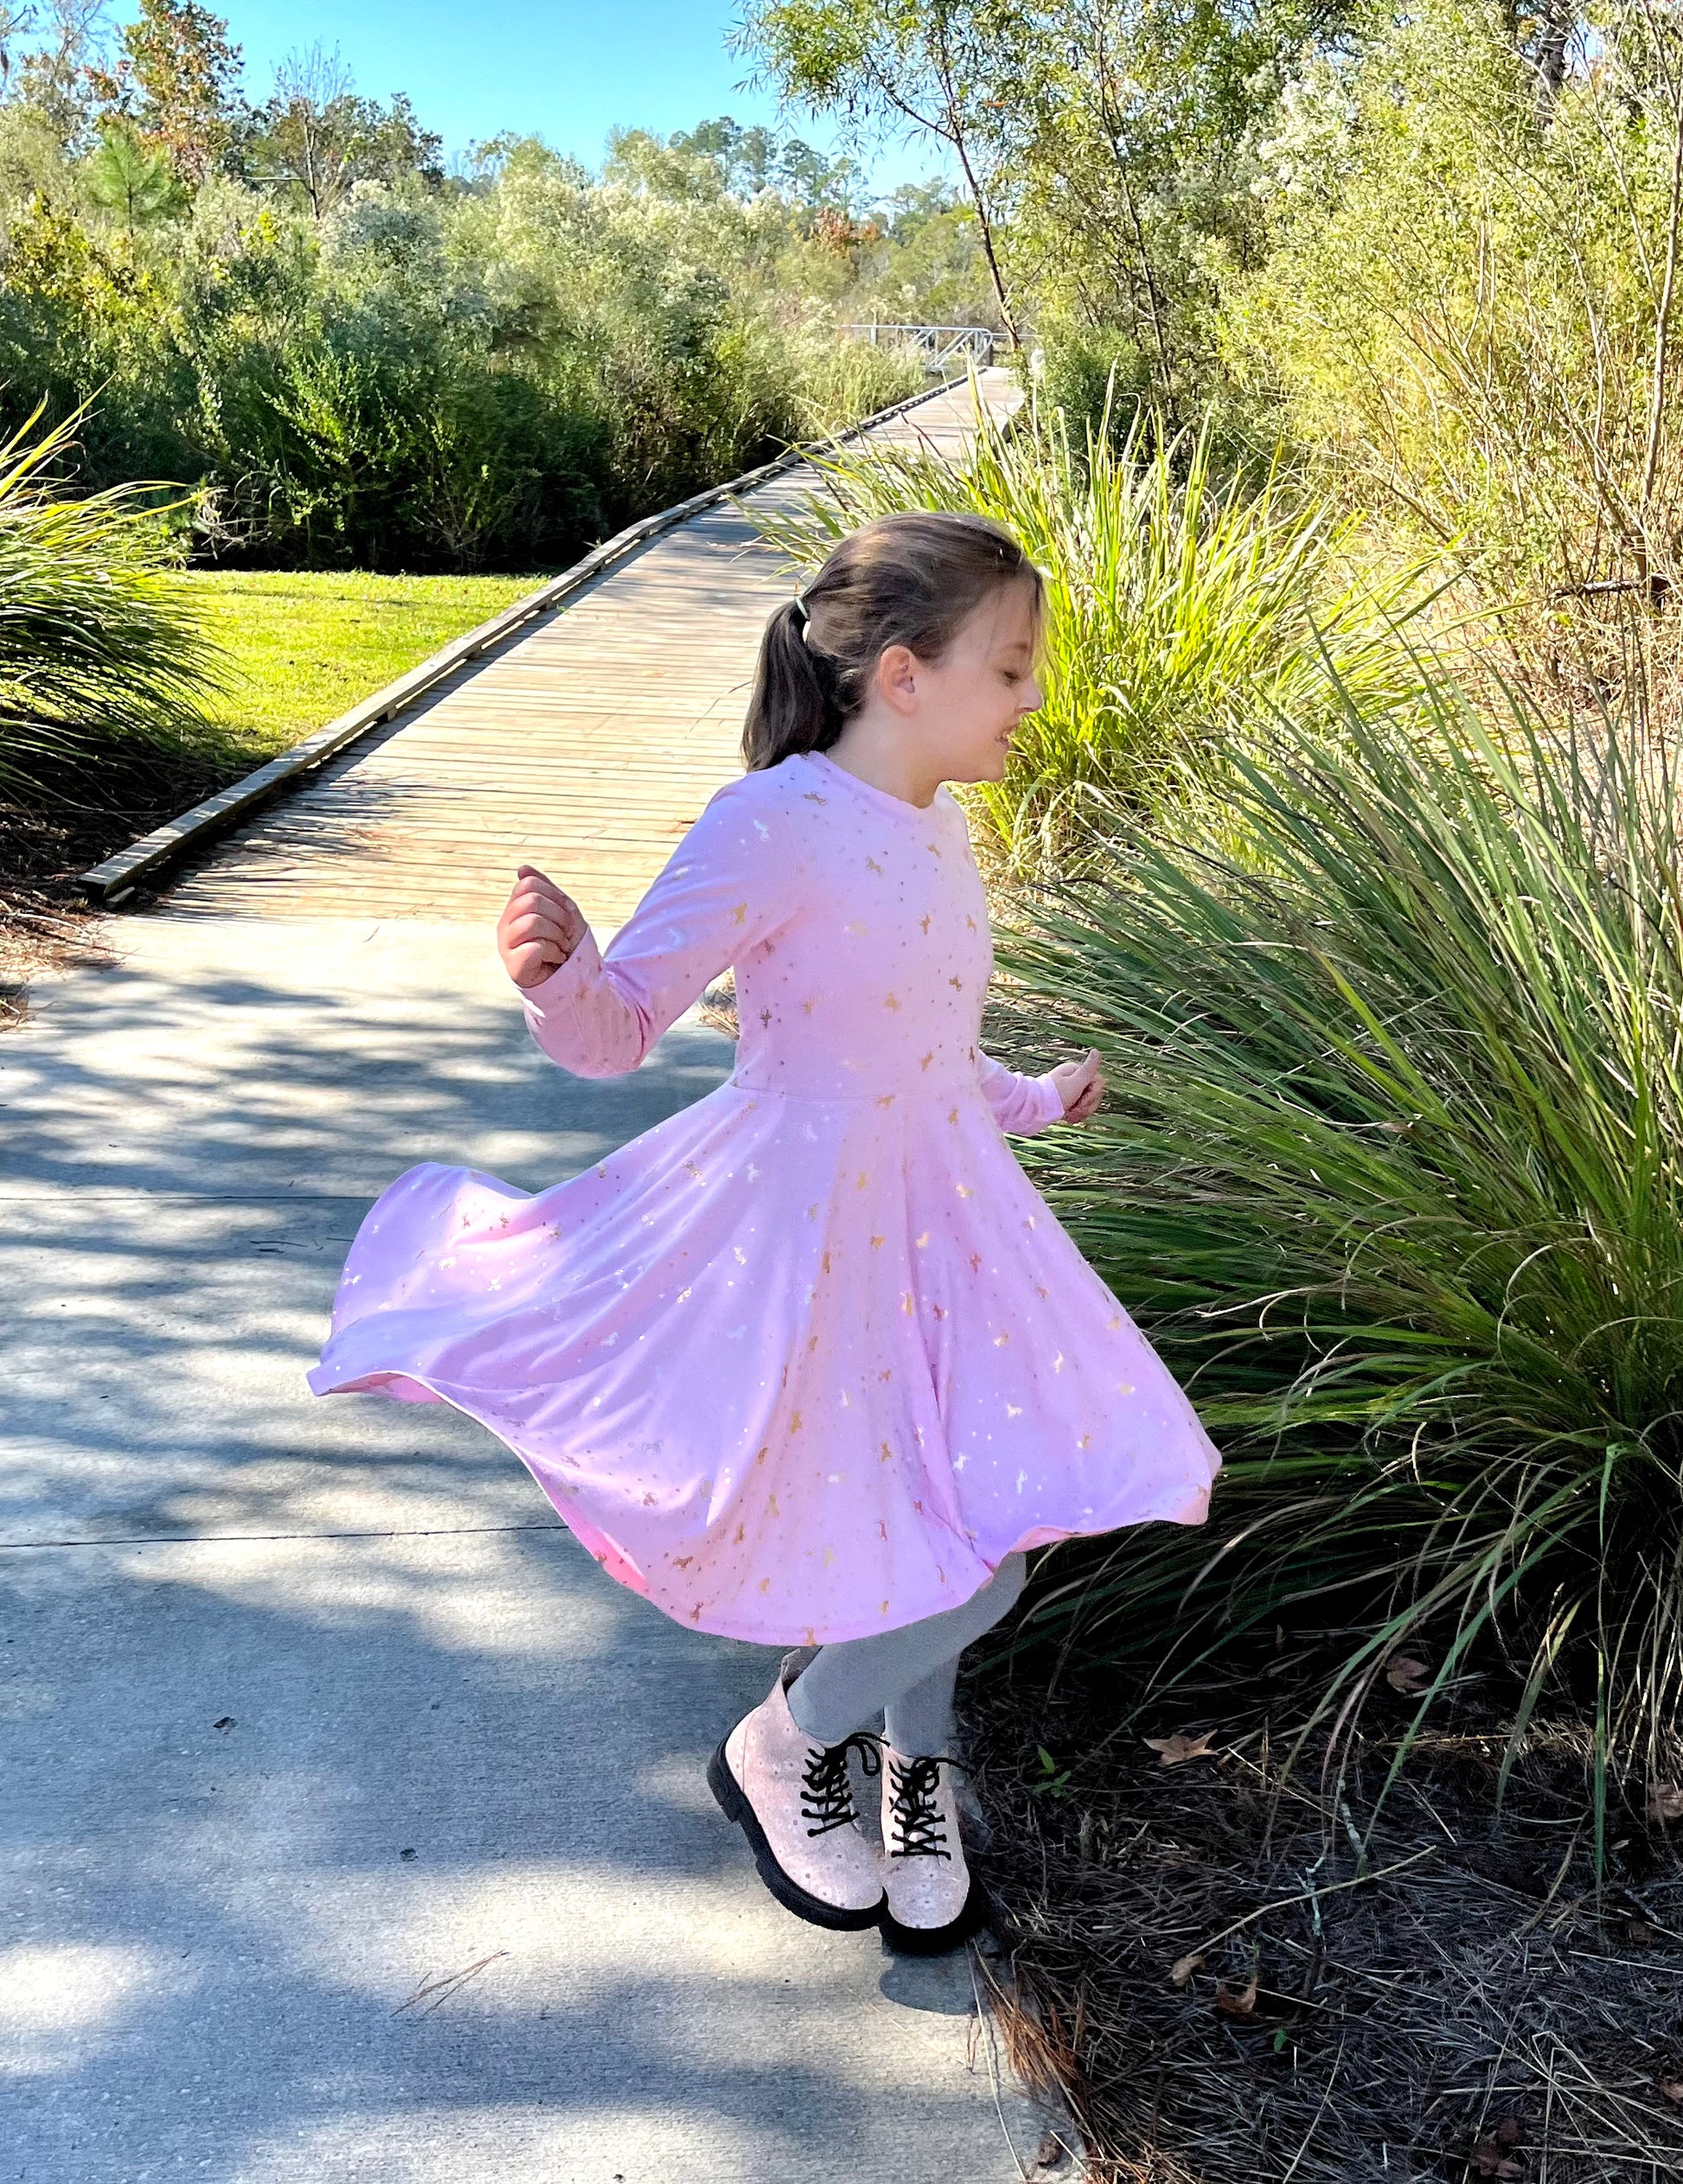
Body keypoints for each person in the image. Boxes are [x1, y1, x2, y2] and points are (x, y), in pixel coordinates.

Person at [309, 510, 1220, 1955]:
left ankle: (916, 1772)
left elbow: (920, 1049)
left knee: (949, 1504)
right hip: (806, 1240)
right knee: (970, 1555)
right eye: (1010, 666)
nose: (1033, 695)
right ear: (903, 675)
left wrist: (1036, 1098)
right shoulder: (773, 823)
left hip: (943, 1223)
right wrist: (558, 977)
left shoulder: (939, 825)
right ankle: (790, 1736)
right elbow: (618, 1029)